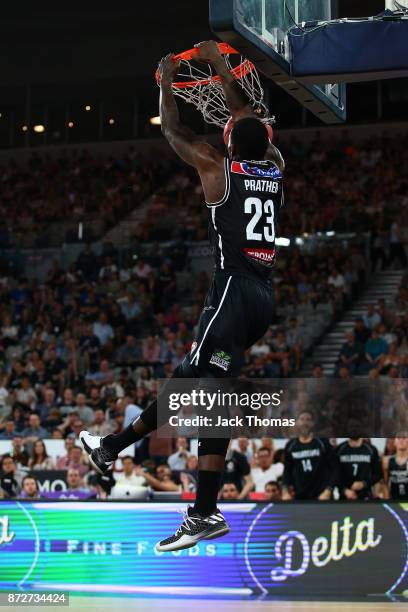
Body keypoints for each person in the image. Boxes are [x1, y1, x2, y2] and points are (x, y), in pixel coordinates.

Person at [80, 40, 284, 552]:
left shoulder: (220, 172)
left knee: (209, 394)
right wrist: (218, 64)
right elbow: (247, 120)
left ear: (231, 142)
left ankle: (204, 512)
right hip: (262, 294)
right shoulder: (275, 167)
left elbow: (173, 130)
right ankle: (111, 446)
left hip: (234, 289)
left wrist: (168, 83)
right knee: (189, 381)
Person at [282, 410, 335, 500]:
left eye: (308, 419)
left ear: (313, 423)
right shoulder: (290, 446)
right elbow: (287, 471)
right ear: (297, 423)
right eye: (302, 419)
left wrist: (328, 490)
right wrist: (285, 491)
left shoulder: (323, 443)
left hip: (321, 495)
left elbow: (334, 469)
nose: (305, 423)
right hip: (299, 495)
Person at [383, 434, 408, 500]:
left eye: (404, 438)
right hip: (394, 500)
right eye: (398, 438)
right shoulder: (387, 461)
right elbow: (385, 484)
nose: (401, 440)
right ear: (394, 441)